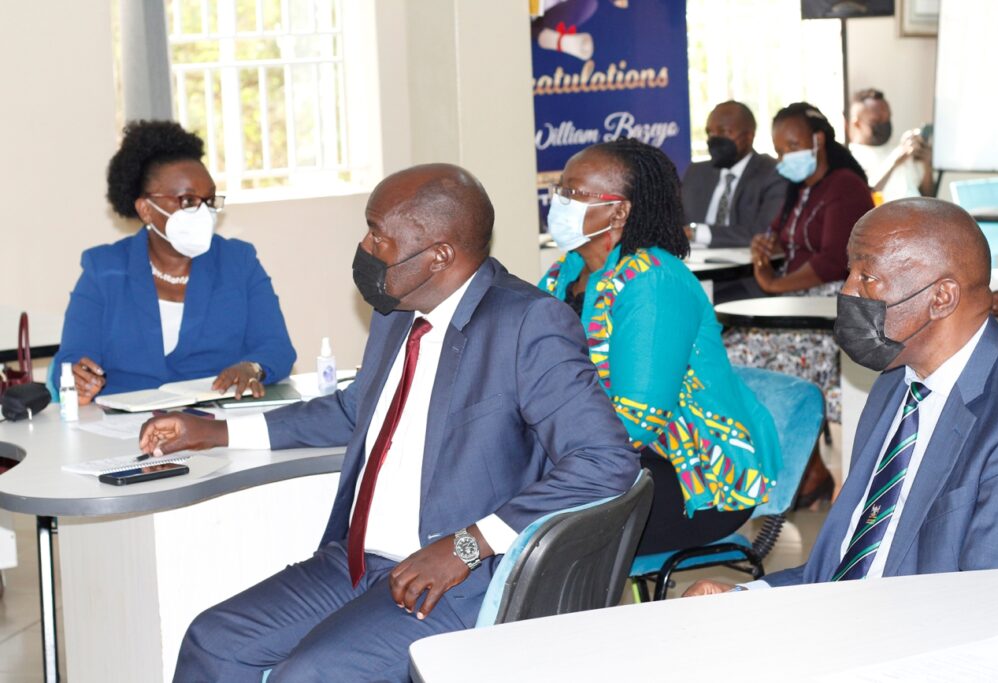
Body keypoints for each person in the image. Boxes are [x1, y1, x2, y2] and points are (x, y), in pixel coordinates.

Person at [138, 163, 639, 681]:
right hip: (356, 564)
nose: (365, 247)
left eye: (378, 235)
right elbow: (356, 410)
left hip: (456, 578)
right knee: (215, 641)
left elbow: (605, 461)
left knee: (310, 674)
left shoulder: (527, 323)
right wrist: (218, 432)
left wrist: (468, 544)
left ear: (439, 255)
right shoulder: (399, 309)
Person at [685, 198, 998, 596]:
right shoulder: (896, 383)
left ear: (941, 297)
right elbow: (842, 568)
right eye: (850, 272)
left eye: (867, 276)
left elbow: (990, 604)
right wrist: (747, 597)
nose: (846, 291)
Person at [539, 138, 781, 556]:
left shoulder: (652, 283)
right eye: (560, 190)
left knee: (537, 526)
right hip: (600, 457)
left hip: (689, 476)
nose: (560, 202)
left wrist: (546, 452)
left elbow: (638, 420)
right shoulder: (565, 273)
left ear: (619, 210)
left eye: (574, 193)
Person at [51, 120, 296, 402]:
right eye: (188, 201)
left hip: (214, 423)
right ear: (145, 209)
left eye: (209, 200)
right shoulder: (103, 268)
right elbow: (70, 360)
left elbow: (277, 347)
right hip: (122, 427)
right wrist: (77, 380)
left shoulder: (238, 262)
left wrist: (252, 367)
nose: (203, 212)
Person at [725, 102, 874, 506]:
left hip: (831, 308)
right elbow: (779, 235)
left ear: (818, 140)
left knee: (736, 354)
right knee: (724, 352)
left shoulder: (845, 186)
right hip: (796, 303)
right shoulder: (801, 188)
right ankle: (807, 470)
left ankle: (805, 471)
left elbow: (831, 261)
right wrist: (766, 245)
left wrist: (776, 284)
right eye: (779, 149)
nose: (784, 157)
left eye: (792, 145)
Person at [681, 101, 788, 303]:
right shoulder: (696, 172)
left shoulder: (772, 173)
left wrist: (697, 233)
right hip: (691, 276)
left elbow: (762, 232)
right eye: (709, 132)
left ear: (749, 135)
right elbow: (674, 223)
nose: (714, 138)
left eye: (723, 131)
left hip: (745, 281)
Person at [847, 88, 935, 202]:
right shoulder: (850, 159)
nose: (884, 124)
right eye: (877, 121)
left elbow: (929, 197)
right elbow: (864, 196)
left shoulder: (905, 150)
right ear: (857, 123)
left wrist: (927, 165)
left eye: (887, 118)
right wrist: (895, 160)